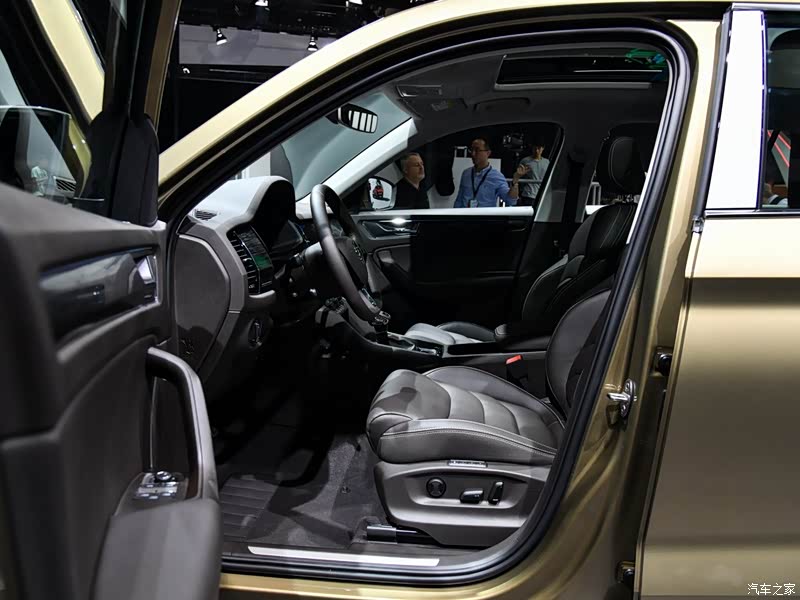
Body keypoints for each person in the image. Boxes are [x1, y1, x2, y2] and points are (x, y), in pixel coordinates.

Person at [454, 138, 524, 208]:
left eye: (477, 150)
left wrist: (515, 181)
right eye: (471, 150)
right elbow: (459, 199)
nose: (473, 154)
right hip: (465, 213)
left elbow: (510, 201)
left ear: (488, 153)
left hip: (484, 214)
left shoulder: (496, 176)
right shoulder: (466, 173)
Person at [516, 138, 550, 207]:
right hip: (528, 194)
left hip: (542, 195)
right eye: (535, 148)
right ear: (532, 148)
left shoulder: (547, 162)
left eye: (539, 148)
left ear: (543, 148)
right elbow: (518, 177)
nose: (536, 151)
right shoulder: (525, 161)